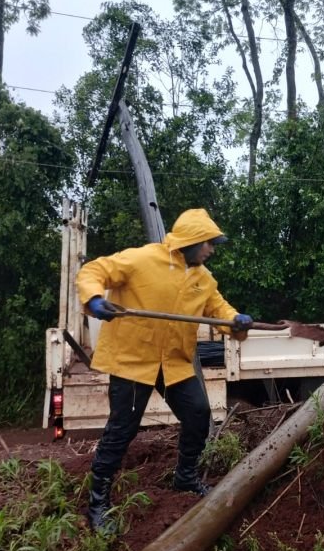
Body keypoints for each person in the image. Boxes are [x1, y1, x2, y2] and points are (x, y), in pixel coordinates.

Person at [76, 208, 253, 533]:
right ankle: (97, 503)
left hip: (173, 363)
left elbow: (220, 309)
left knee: (199, 415)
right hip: (133, 360)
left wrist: (237, 320)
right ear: (192, 240)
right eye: (209, 243)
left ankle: (185, 477)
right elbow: (93, 271)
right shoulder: (141, 260)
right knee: (122, 430)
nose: (211, 250)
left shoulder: (203, 279)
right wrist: (96, 300)